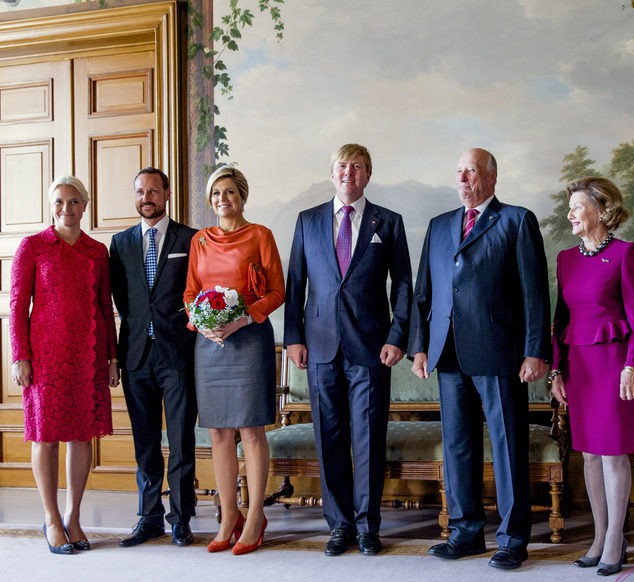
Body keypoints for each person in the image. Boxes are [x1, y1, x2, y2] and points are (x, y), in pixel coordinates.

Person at [409, 148, 551, 570]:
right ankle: (466, 533)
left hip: (500, 353)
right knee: (458, 446)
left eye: (471, 170)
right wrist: (420, 347)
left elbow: (535, 293)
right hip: (447, 353)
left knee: (508, 446)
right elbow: (423, 293)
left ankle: (511, 539)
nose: (463, 178)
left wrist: (535, 350)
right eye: (459, 171)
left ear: (491, 177)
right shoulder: (438, 226)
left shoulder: (517, 220)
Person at [284, 144, 413, 557]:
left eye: (357, 167)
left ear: (368, 175)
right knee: (331, 439)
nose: (348, 173)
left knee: (369, 439)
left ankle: (367, 527)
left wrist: (397, 338)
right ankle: (339, 525)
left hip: (372, 349)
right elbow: (295, 286)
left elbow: (405, 286)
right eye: (342, 166)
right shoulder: (307, 222)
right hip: (319, 347)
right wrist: (293, 338)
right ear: (332, 173)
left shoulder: (388, 223)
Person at [10, 175, 120, 554]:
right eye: (59, 202)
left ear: (85, 207)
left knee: (81, 434)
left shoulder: (97, 251)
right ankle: (51, 519)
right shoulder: (33, 247)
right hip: (45, 356)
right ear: (51, 205)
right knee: (46, 435)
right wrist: (19, 356)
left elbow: (106, 308)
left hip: (87, 353)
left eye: (74, 202)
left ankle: (74, 517)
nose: (66, 209)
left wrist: (111, 356)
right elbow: (17, 305)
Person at [549, 177, 634, 577]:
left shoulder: (627, 254)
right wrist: (556, 369)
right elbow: (560, 319)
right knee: (589, 452)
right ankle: (600, 534)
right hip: (579, 366)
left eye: (577, 206)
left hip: (615, 364)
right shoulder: (564, 259)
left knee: (612, 452)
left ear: (602, 210)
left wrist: (633, 365)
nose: (570, 213)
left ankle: (615, 539)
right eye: (569, 207)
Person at [184, 165, 285, 555]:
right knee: (218, 433)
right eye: (215, 195)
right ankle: (230, 515)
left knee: (250, 430)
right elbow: (191, 291)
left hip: (249, 339)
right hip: (210, 345)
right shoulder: (200, 241)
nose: (222, 200)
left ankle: (256, 514)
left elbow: (277, 291)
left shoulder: (261, 235)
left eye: (229, 192)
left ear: (242, 196)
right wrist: (199, 321)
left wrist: (243, 318)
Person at [110, 167, 199, 547]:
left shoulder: (191, 239)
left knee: (180, 442)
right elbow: (118, 298)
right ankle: (149, 518)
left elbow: (196, 291)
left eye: (153, 191)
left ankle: (181, 518)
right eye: (140, 192)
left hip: (177, 354)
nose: (146, 197)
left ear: (166, 193)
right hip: (135, 356)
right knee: (145, 444)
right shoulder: (120, 242)